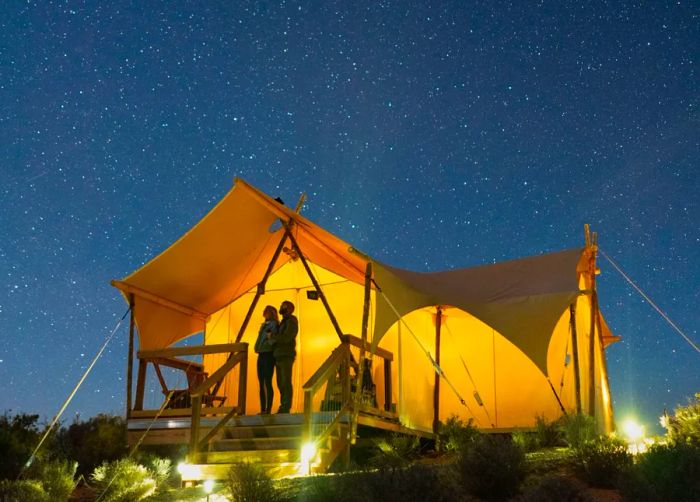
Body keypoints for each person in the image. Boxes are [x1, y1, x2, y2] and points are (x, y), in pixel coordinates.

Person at [272, 300, 298, 414]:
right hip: (279, 355)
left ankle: (286, 406)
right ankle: (283, 405)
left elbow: (287, 337)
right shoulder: (283, 322)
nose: (282, 308)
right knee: (280, 382)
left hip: (286, 355)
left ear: (290, 309)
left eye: (284, 306)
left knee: (285, 381)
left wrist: (273, 336)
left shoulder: (292, 321)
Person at [254, 305, 278, 414]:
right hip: (261, 353)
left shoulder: (274, 324)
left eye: (266, 311)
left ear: (271, 313)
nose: (264, 312)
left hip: (268, 354)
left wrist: (268, 342)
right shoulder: (264, 325)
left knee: (267, 381)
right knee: (261, 382)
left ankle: (268, 409)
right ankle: (263, 408)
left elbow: (273, 339)